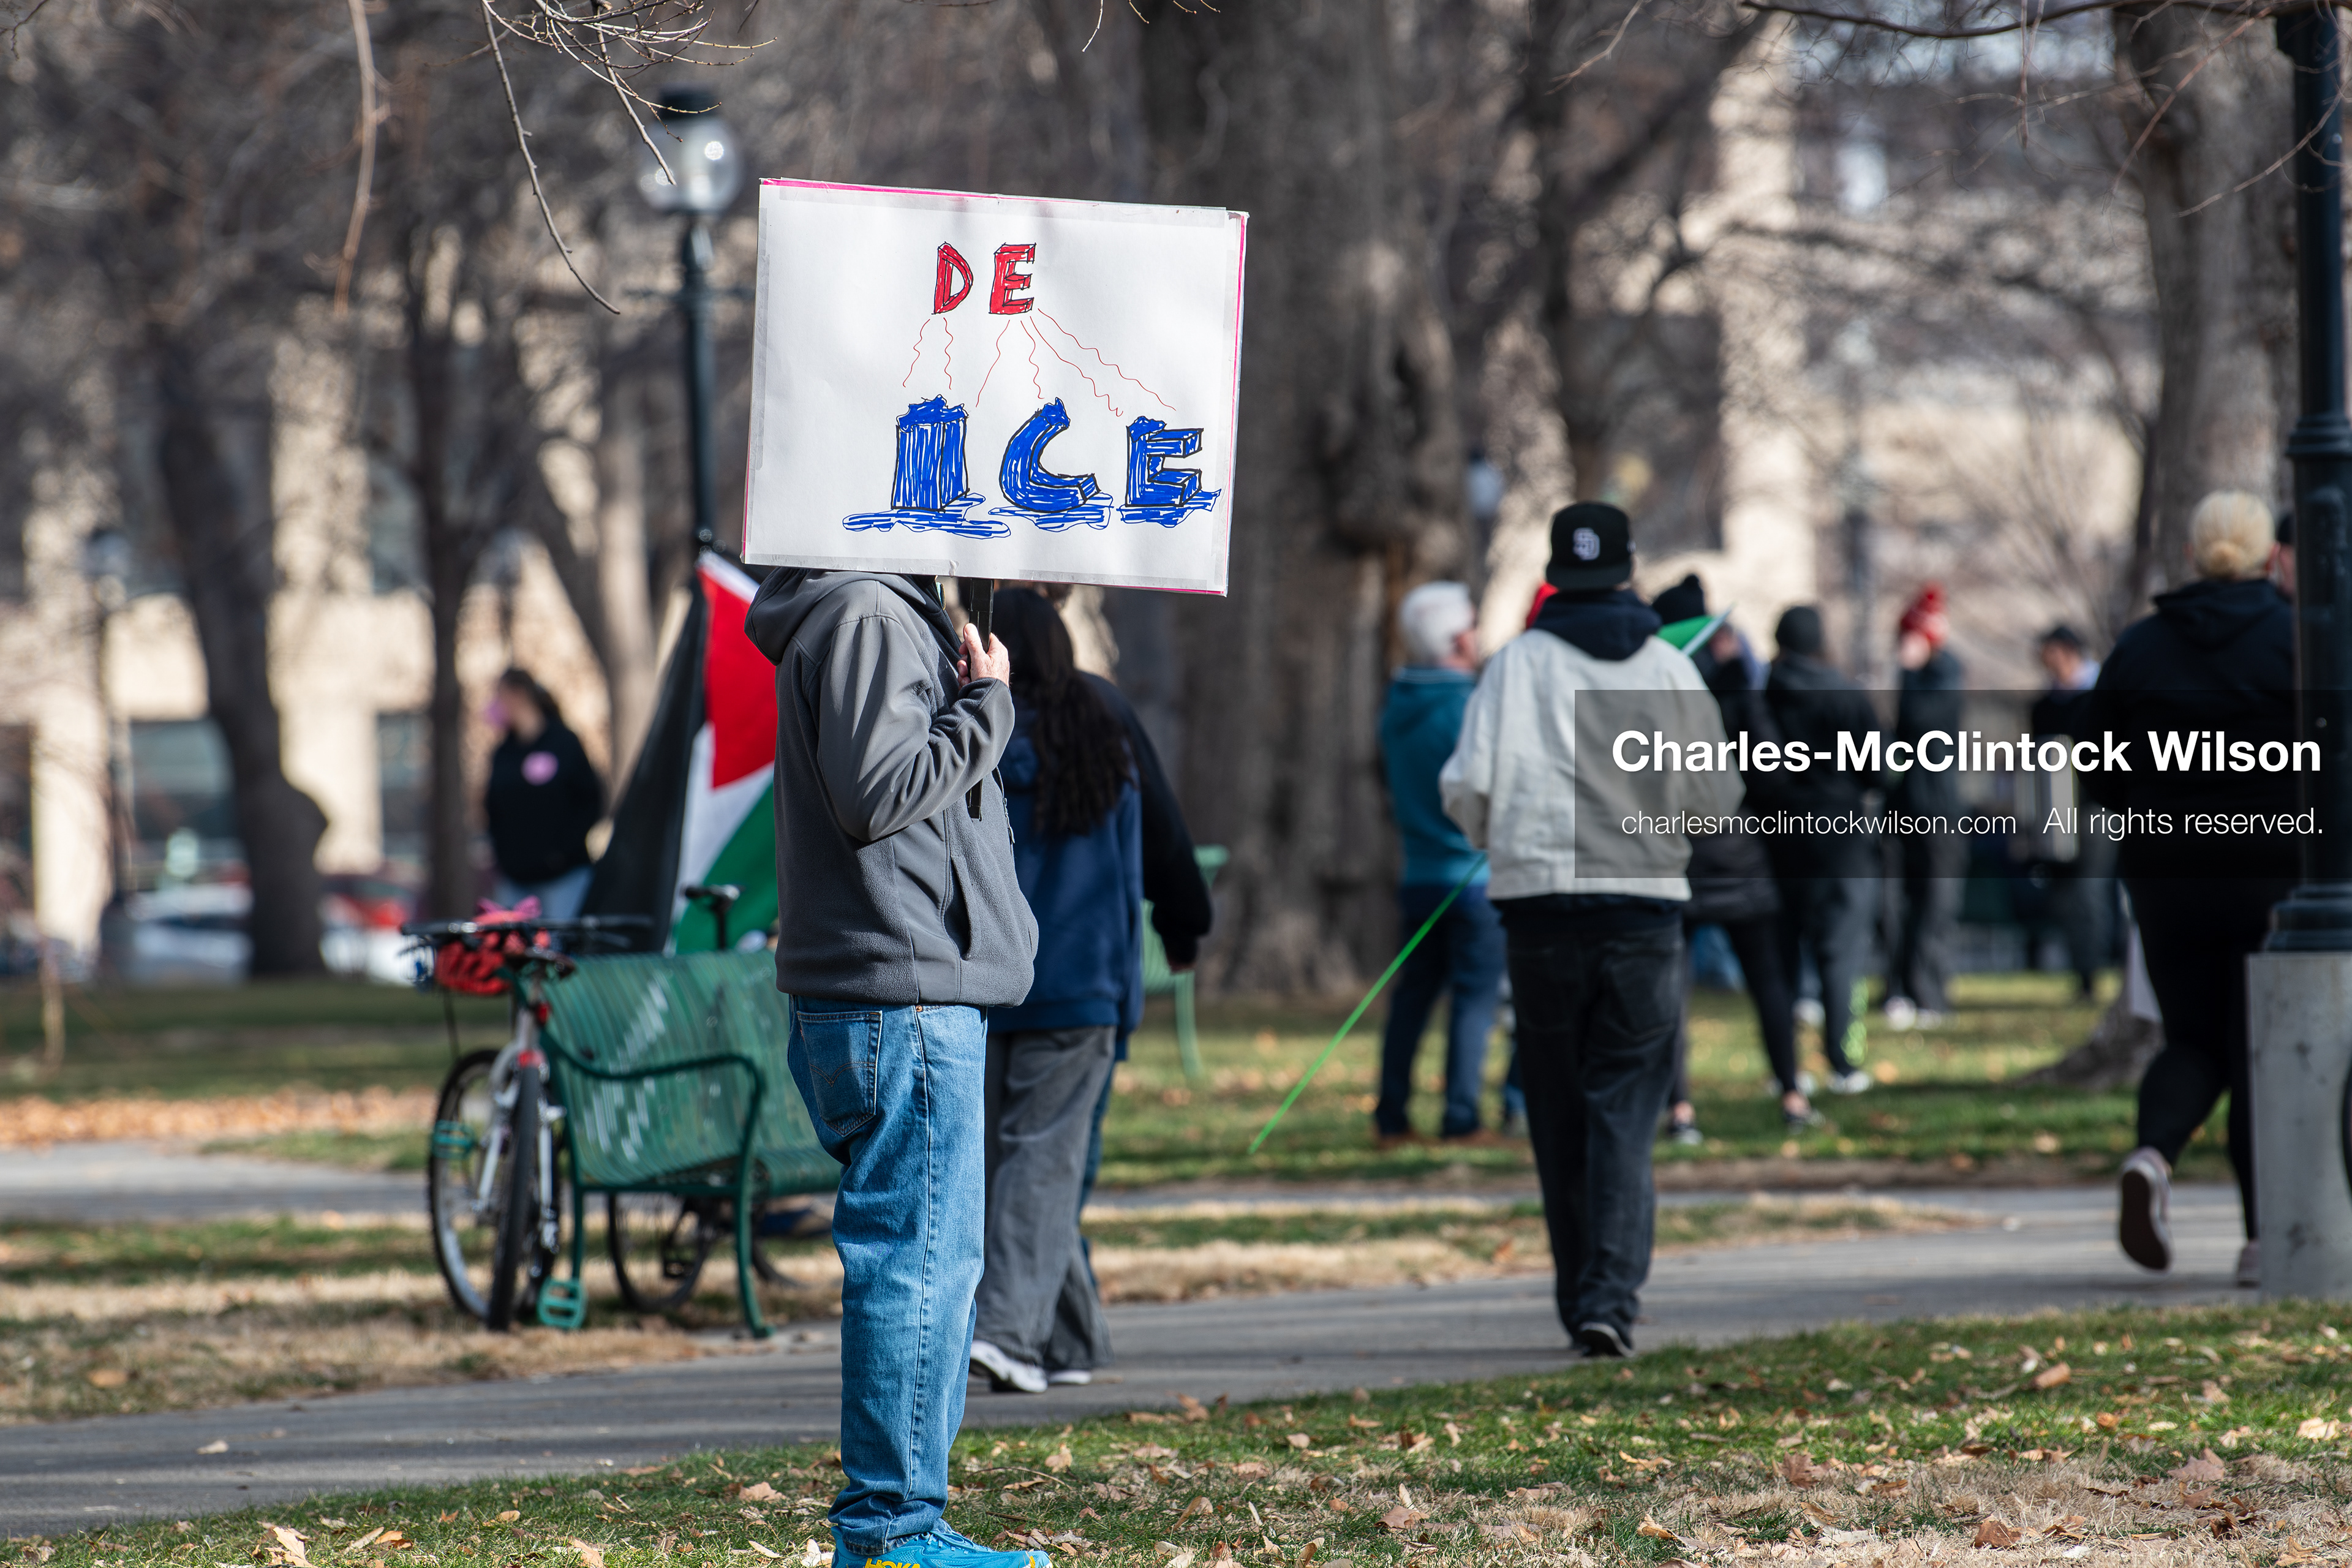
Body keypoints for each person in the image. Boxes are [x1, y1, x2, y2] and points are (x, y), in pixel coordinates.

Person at [744, 569, 1046, 1568]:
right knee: (918, 1270)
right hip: (899, 993)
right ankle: (895, 1534)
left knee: (920, 1265)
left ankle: (903, 1526)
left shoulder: (868, 610)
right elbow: (881, 794)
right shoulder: (870, 612)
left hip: (890, 988)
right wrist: (989, 709)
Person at [1441, 501, 1740, 1359]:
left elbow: (1466, 786)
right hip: (1642, 906)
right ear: (1629, 568)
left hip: (1537, 908)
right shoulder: (1667, 670)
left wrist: (1494, 836)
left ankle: (1584, 1296)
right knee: (1626, 1104)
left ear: (1554, 575)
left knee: (1559, 1105)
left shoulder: (1515, 667)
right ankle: (1612, 1293)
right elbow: (1716, 797)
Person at [2082, 489, 2296, 1293]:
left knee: (2193, 1038)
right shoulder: (2294, 642)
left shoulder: (2138, 649)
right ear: (2269, 557)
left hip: (2167, 880)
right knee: (2257, 1056)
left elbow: (2096, 769)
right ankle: (2261, 1238)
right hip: (2271, 878)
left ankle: (2152, 1156)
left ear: (2191, 553)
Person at [967, 590, 1140, 1396]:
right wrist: (1128, 996)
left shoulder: (975, 745)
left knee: (1017, 1165)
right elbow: (1128, 878)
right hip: (1083, 983)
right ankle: (1064, 1336)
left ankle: (1012, 1335)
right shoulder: (1104, 739)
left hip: (995, 977)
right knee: (1040, 1163)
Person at [1660, 583, 1815, 1140]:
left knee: (1671, 995)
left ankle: (1680, 1111)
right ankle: (1792, 1093)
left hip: (1676, 857)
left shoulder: (1653, 696)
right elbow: (1773, 775)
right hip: (1740, 856)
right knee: (1768, 982)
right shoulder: (1738, 696)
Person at [1372, 581, 1507, 1147]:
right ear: (1456, 638)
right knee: (1474, 999)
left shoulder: (1397, 704)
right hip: (1471, 877)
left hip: (1419, 873)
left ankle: (1392, 1116)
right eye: (1473, 625)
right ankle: (1460, 1116)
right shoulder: (1466, 708)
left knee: (1413, 999)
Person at [1762, 606, 1882, 1095]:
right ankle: (1843, 1064)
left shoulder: (1762, 697)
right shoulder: (1846, 695)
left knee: (1781, 958)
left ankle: (1787, 1072)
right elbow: (1877, 768)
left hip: (1778, 838)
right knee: (1841, 954)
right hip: (1842, 838)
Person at [1884, 586, 1964, 1031]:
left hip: (1938, 810)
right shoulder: (1911, 676)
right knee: (1897, 902)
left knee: (1936, 902)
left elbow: (1921, 722)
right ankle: (1899, 988)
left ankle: (1929, 989)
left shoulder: (1945, 672)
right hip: (1904, 805)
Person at [2031, 625, 2114, 999]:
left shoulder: (2100, 695)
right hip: (2056, 804)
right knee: (2064, 892)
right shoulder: (2046, 704)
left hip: (2096, 805)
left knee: (2090, 891)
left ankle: (2096, 970)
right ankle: (2081, 969)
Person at [483, 668, 605, 919]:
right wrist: (503, 857)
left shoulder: (563, 743)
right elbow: (492, 809)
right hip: (516, 880)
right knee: (515, 952)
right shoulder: (503, 753)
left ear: (517, 696)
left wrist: (562, 852)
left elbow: (590, 800)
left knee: (561, 951)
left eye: (500, 697)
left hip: (565, 877)